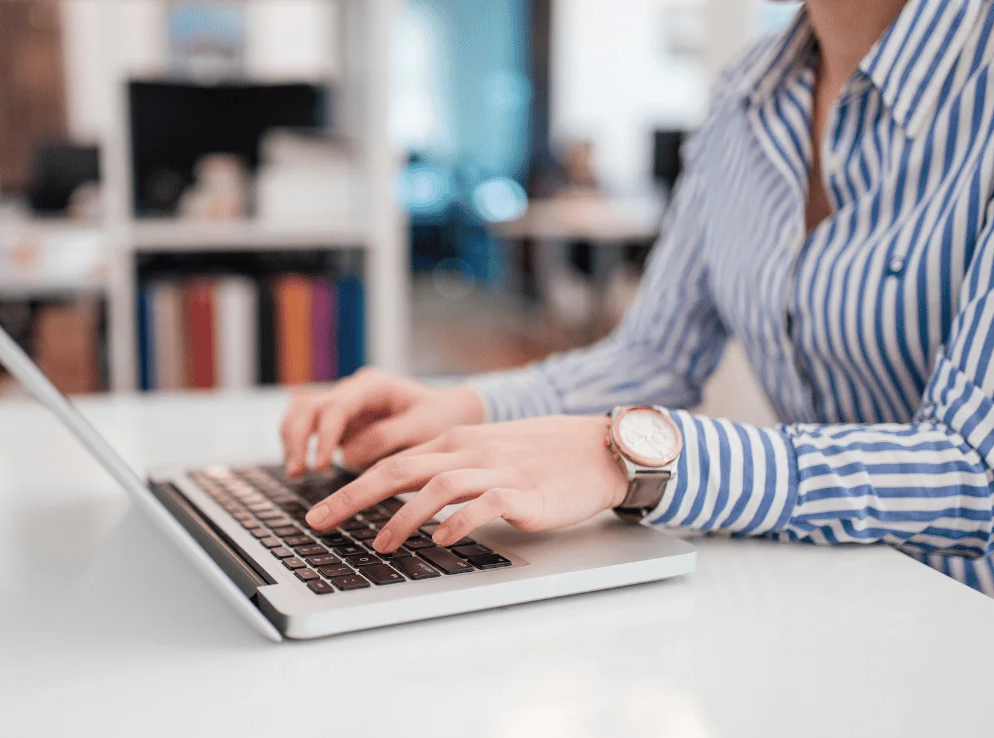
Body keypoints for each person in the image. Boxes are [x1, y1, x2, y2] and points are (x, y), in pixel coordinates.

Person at [282, 0, 994, 596]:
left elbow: (976, 467)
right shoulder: (746, 96)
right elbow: (657, 355)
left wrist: (637, 460)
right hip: (818, 596)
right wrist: (463, 408)